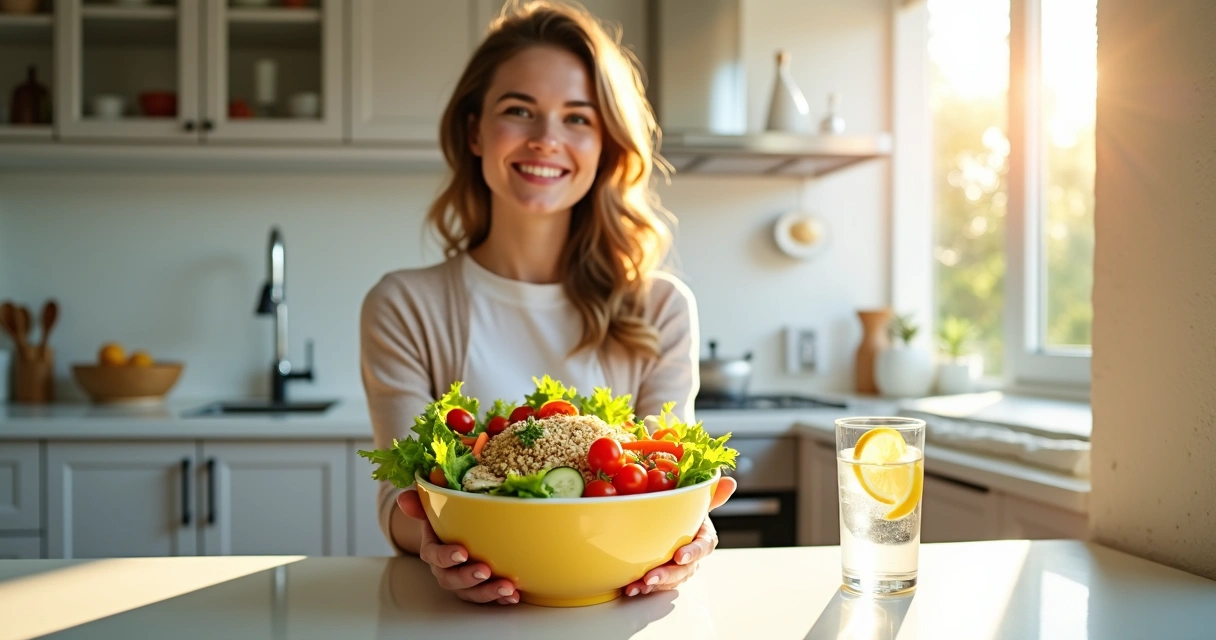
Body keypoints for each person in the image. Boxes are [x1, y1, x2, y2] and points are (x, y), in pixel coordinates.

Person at [359, 0, 736, 605]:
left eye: (578, 118)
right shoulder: (404, 305)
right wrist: (434, 545)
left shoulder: (659, 307)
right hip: (466, 619)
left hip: (617, 611)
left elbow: (674, 476)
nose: (545, 140)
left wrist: (690, 525)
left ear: (607, 143)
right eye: (519, 111)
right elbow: (402, 501)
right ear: (475, 130)